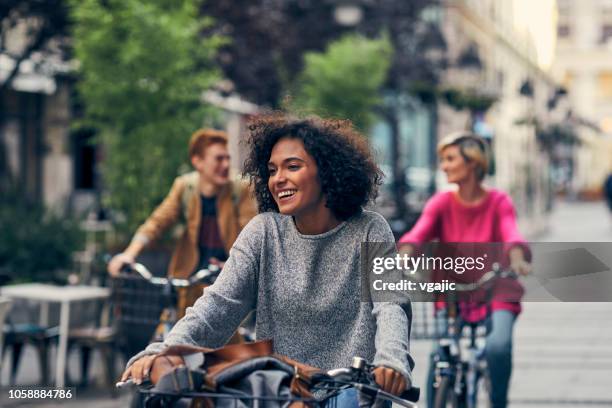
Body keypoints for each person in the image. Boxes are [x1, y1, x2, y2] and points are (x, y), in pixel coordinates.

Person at [121, 114, 414, 405]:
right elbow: (217, 306)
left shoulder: (370, 229)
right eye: (272, 170)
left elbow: (390, 303)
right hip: (283, 393)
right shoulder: (264, 232)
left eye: (293, 167)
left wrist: (391, 360)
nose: (278, 179)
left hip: (352, 393)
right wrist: (162, 350)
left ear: (327, 172)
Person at [398, 132, 531, 408]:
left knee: (497, 347)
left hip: (496, 287)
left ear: (472, 162)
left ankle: (498, 401)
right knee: (439, 354)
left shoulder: (498, 201)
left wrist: (517, 257)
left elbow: (511, 233)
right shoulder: (441, 202)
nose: (444, 166)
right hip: (453, 291)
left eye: (450, 159)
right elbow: (418, 234)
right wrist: (404, 256)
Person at [107, 128, 257, 317]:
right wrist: (129, 254)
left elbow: (250, 234)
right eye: (219, 159)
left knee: (224, 342)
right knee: (173, 335)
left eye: (227, 158)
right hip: (189, 278)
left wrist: (237, 266)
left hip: (226, 281)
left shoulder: (238, 189)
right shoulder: (185, 187)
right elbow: (157, 222)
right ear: (198, 162)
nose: (226, 164)